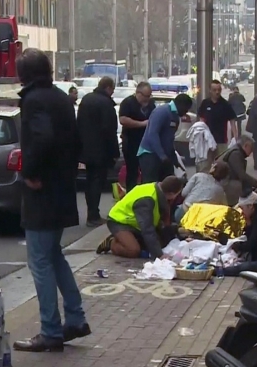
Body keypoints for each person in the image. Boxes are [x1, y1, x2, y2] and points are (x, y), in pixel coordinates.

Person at [13, 48, 90, 352]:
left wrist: (30, 172)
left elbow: (41, 138)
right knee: (54, 256)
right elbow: (73, 140)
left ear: (25, 74)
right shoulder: (60, 98)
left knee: (40, 262)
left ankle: (50, 330)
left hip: (42, 192)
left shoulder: (33, 100)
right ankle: (75, 318)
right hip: (62, 188)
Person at [101, 176, 183, 259]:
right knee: (133, 250)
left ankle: (128, 239)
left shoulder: (157, 188)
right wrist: (159, 255)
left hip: (134, 222)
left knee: (159, 242)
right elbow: (147, 229)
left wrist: (177, 230)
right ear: (171, 194)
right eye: (177, 194)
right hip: (119, 221)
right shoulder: (146, 200)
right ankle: (111, 242)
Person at [77, 76, 119, 227]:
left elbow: (79, 124)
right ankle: (93, 216)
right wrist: (114, 152)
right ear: (108, 88)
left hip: (86, 149)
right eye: (112, 90)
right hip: (101, 150)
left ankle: (92, 213)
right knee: (97, 182)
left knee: (90, 181)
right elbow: (110, 130)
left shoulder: (86, 100)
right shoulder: (106, 104)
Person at [138, 94, 192, 183]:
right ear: (181, 105)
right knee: (151, 185)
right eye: (186, 109)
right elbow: (152, 134)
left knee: (167, 184)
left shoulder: (175, 117)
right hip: (149, 154)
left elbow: (169, 139)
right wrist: (162, 155)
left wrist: (174, 159)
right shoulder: (162, 111)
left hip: (164, 156)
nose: (186, 112)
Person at [119, 82, 156, 190]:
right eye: (145, 96)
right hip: (131, 142)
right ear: (138, 93)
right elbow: (123, 120)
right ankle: (131, 194)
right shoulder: (128, 103)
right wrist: (142, 124)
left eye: (149, 96)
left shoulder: (150, 104)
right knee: (132, 171)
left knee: (147, 171)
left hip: (146, 143)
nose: (147, 99)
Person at [197, 80, 238, 172]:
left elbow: (232, 121)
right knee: (205, 166)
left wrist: (235, 137)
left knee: (220, 167)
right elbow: (201, 121)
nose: (217, 92)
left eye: (219, 90)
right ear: (210, 91)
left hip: (221, 141)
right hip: (206, 142)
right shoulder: (205, 103)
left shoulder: (225, 104)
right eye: (214, 90)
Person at [217, 135, 257, 206]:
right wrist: (256, 182)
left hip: (224, 181)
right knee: (239, 186)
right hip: (225, 183)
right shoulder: (236, 154)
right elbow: (241, 174)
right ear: (246, 146)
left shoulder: (234, 151)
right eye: (251, 149)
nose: (251, 152)